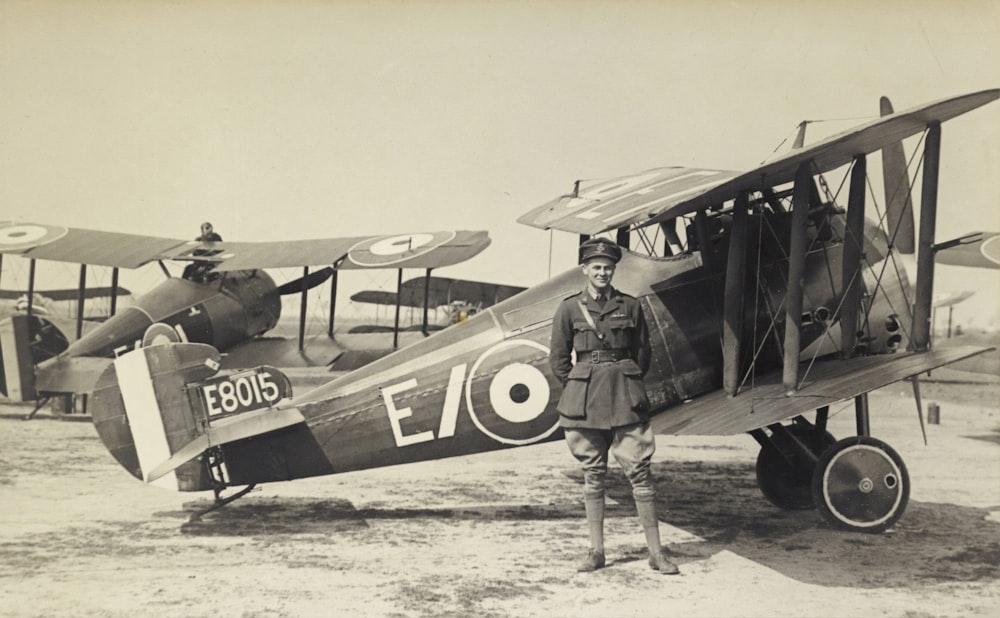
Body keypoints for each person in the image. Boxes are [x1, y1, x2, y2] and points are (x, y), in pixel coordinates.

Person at [549, 238, 679, 574]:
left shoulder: (631, 305)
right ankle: (596, 553)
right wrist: (580, 386)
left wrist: (627, 380)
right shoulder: (568, 309)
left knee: (640, 472)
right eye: (596, 267)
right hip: (585, 401)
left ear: (613, 270)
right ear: (585, 270)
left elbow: (643, 353)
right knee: (593, 476)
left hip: (625, 398)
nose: (602, 272)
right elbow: (559, 359)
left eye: (607, 267)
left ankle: (656, 553)